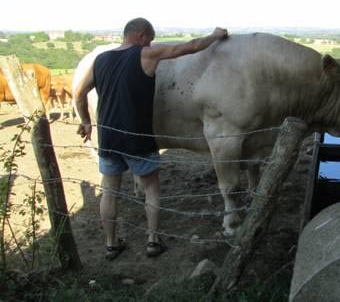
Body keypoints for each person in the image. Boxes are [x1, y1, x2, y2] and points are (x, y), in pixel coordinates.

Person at [74, 18, 228, 260]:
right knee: (151, 188)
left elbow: (79, 93)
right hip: (138, 138)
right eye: (151, 39)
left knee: (109, 192)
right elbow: (190, 46)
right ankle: (153, 241)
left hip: (108, 138)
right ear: (142, 36)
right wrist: (216, 35)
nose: (151, 43)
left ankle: (111, 244)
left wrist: (85, 121)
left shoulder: (100, 60)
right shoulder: (146, 54)